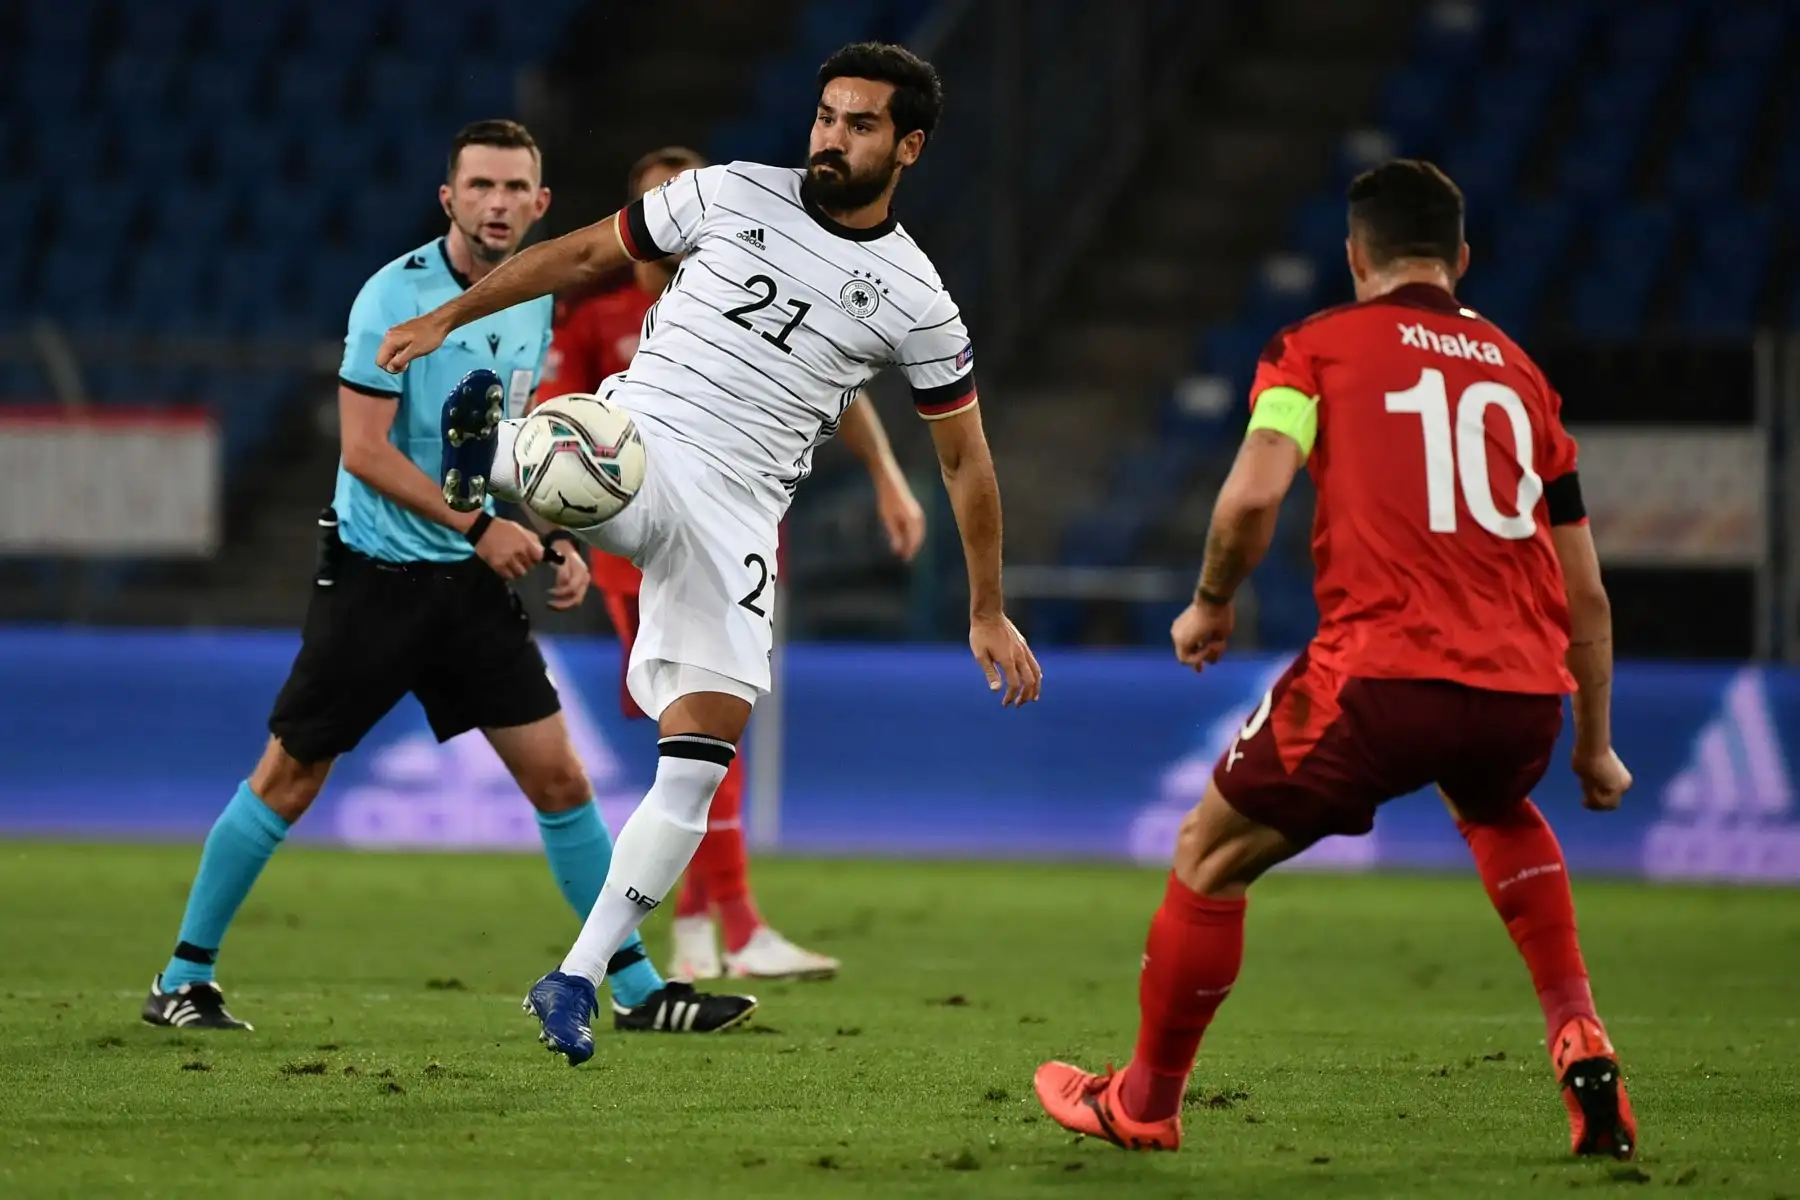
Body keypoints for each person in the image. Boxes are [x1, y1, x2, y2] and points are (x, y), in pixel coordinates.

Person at [377, 43, 1043, 1066]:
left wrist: (986, 605)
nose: (832, 137)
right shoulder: (727, 192)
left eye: (861, 125)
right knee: (588, 459)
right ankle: (500, 453)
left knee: (695, 765)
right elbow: (586, 255)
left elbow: (966, 460)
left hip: (740, 519)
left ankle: (576, 977)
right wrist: (454, 312)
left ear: (908, 147)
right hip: (649, 445)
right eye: (826, 116)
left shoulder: (917, 298)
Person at [1033, 160, 1637, 1159]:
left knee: (1208, 855)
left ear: (1355, 255)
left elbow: (1252, 498)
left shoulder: (1313, 350)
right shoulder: (1524, 380)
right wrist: (1595, 750)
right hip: (1524, 695)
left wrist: (1211, 603)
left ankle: (1142, 1100)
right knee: (1493, 803)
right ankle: (1580, 1031)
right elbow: (1587, 594)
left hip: (1378, 679)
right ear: (1462, 261)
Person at [141, 119, 755, 1037]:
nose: (499, 204)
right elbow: (363, 452)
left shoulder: (529, 300)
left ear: (542, 205)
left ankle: (633, 991)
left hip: (468, 586)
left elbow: (516, 445)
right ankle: (182, 978)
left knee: (560, 782)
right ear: (449, 198)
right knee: (291, 775)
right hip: (377, 575)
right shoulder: (392, 295)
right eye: (481, 188)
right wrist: (479, 528)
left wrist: (553, 532)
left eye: (517, 190)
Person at [539, 144, 928, 982]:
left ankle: (702, 936)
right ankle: (720, 930)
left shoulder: (739, 287)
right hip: (636, 548)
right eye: (656, 206)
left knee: (705, 741)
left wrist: (891, 479)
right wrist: (559, 530)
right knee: (695, 738)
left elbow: (839, 388)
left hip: (734, 534)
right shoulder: (594, 323)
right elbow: (559, 432)